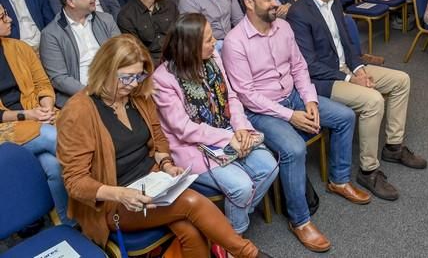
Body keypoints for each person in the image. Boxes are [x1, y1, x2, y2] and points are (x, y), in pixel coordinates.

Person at [56, 34, 269, 258]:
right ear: (105, 70)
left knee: (191, 232)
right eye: (126, 77)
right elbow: (75, 181)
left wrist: (166, 164)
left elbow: (157, 136)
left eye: (139, 76)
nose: (133, 84)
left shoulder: (137, 95)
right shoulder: (78, 111)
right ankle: (250, 254)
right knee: (193, 202)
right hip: (113, 201)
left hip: (153, 183)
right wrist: (121, 194)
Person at [224, 0, 367, 253]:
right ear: (249, 3)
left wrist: (310, 101)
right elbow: (247, 96)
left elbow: (300, 68)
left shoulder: (284, 28)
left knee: (345, 117)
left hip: (293, 96)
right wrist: (290, 116)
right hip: (261, 110)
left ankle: (339, 180)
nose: (276, 3)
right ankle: (300, 220)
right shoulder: (235, 42)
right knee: (294, 148)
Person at [286, 0, 426, 201]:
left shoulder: (333, 0)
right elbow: (309, 65)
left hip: (346, 69)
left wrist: (359, 68)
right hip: (323, 80)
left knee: (401, 80)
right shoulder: (299, 13)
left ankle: (393, 147)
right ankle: (368, 170)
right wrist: (350, 78)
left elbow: (348, 43)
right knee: (373, 101)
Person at [153, 13, 278, 233]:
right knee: (240, 187)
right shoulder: (164, 79)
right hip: (193, 147)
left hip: (228, 130)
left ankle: (232, 218)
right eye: (209, 40)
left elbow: (231, 98)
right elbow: (183, 129)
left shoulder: (213, 59)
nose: (216, 43)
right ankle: (234, 236)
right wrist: (229, 137)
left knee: (270, 167)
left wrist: (240, 129)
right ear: (190, 47)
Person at [0, 4, 70, 224]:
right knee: (54, 137)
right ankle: (104, 189)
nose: (9, 19)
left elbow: (42, 83)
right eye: (2, 17)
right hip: (8, 126)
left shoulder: (19, 47)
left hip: (39, 116)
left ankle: (70, 224)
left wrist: (46, 106)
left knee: (54, 166)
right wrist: (30, 115)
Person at [41, 0, 120, 106]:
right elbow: (59, 78)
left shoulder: (106, 20)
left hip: (116, 86)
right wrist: (93, 93)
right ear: (71, 1)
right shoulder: (51, 34)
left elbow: (122, 54)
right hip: (80, 96)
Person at [117, 0, 177, 64]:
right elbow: (137, 53)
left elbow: (180, 35)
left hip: (176, 58)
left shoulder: (169, 5)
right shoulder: (127, 17)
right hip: (151, 66)